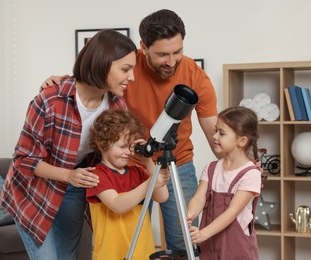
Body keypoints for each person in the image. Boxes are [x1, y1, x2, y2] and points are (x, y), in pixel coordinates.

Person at [40, 9, 218, 251]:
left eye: (178, 51)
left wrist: (241, 166)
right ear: (143, 47)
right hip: (129, 164)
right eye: (162, 54)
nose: (172, 61)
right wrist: (62, 82)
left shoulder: (196, 77)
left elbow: (214, 134)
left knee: (184, 240)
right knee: (131, 241)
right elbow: (90, 83)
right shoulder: (125, 70)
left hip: (178, 162)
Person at [0, 29, 137, 260]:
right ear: (102, 64)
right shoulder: (50, 100)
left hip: (74, 187)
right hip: (33, 190)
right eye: (125, 69)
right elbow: (23, 159)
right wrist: (69, 176)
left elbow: (118, 152)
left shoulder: (117, 107)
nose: (132, 77)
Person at [86, 109, 169, 259]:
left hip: (141, 252)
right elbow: (118, 205)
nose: (128, 152)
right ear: (102, 143)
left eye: (130, 147)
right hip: (112, 254)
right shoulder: (97, 175)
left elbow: (162, 196)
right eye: (122, 146)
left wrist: (147, 159)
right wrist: (151, 182)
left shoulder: (138, 172)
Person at [186, 106, 262, 259]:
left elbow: (232, 212)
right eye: (215, 131)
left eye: (221, 133)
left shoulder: (250, 174)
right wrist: (190, 214)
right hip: (210, 245)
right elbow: (200, 197)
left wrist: (203, 233)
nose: (214, 136)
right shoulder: (211, 168)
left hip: (236, 247)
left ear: (241, 141)